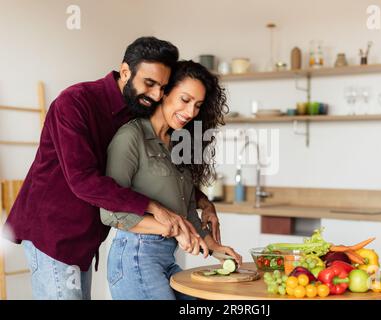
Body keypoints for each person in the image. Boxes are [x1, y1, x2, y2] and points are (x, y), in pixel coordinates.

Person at [3, 37, 221, 300]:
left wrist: (203, 201)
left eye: (161, 88)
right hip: (52, 231)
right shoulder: (74, 103)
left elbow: (161, 168)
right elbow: (83, 180)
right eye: (149, 83)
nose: (154, 95)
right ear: (126, 71)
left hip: (86, 238)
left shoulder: (137, 109)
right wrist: (156, 209)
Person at [100, 60, 242, 300]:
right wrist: (173, 228)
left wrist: (213, 246)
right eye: (185, 100)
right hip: (135, 257)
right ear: (164, 93)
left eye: (197, 105)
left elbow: (186, 209)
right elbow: (110, 213)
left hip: (166, 258)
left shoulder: (179, 142)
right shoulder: (131, 137)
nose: (190, 113)